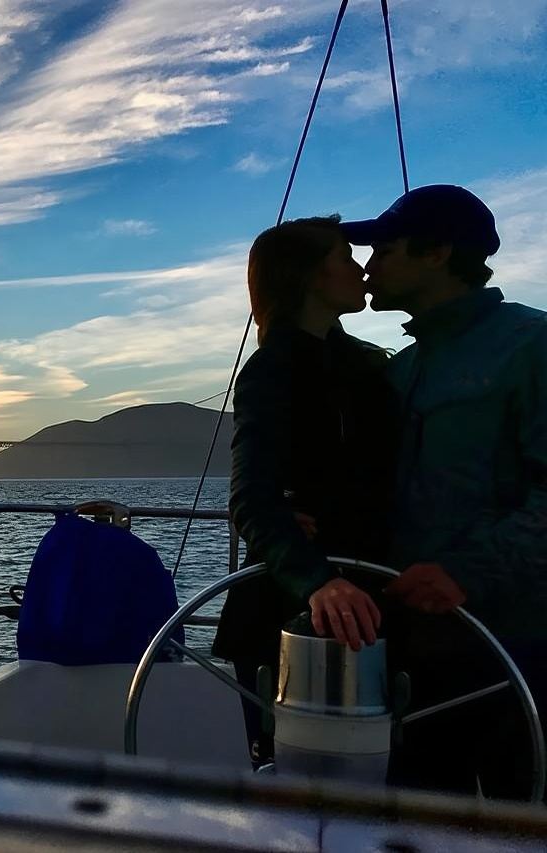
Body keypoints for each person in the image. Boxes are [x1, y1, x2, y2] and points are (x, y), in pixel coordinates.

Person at [342, 184, 547, 799]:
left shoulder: (533, 346)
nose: (368, 267)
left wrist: (465, 572)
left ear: (436, 253)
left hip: (521, 644)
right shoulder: (400, 368)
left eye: (383, 250)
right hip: (414, 644)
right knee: (419, 819)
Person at [212, 216, 399, 766]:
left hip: (371, 600)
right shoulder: (272, 370)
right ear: (312, 276)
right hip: (294, 610)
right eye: (345, 258)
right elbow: (251, 497)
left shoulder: (365, 367)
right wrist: (318, 581)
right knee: (291, 778)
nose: (361, 270)